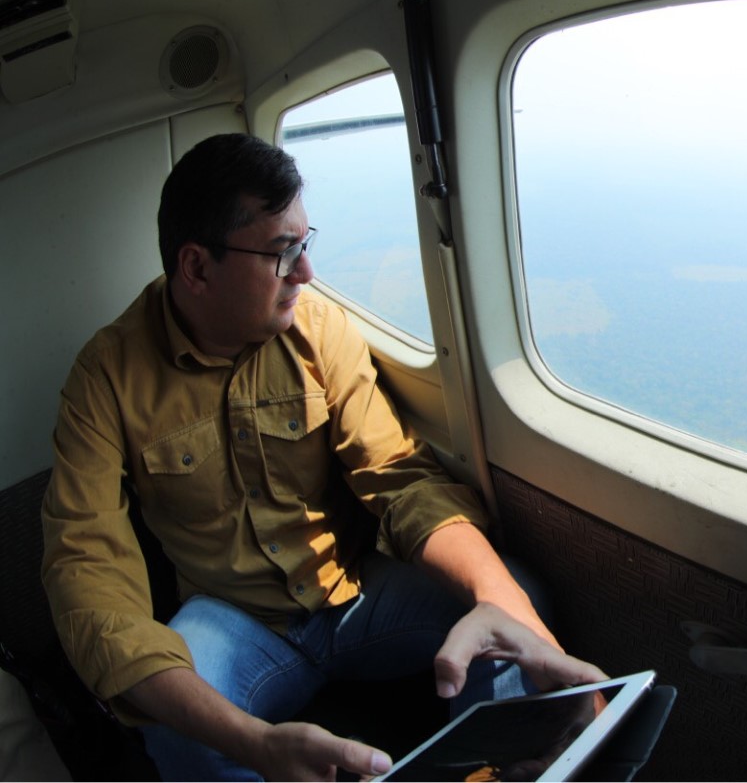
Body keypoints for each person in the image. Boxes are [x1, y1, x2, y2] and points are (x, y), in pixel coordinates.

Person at [40, 133, 604, 781]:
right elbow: (88, 576)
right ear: (196, 268)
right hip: (235, 619)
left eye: (305, 244)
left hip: (358, 592)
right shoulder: (105, 377)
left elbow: (401, 480)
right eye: (283, 254)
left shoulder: (320, 327)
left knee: (510, 595)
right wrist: (257, 743)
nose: (305, 273)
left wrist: (528, 629)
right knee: (173, 728)